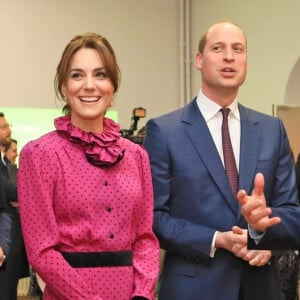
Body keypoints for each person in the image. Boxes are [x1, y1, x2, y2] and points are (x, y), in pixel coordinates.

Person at [143, 20, 299, 300]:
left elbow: (292, 213)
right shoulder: (165, 131)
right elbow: (154, 218)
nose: (229, 56)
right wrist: (216, 239)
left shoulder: (271, 130)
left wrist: (263, 236)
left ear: (246, 61)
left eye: (238, 49)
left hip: (260, 288)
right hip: (193, 288)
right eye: (219, 48)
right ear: (199, 60)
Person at [17, 32, 159, 300]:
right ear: (63, 86)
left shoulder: (136, 156)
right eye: (77, 75)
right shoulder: (39, 155)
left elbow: (145, 240)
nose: (89, 85)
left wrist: (141, 294)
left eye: (101, 74)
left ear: (113, 86)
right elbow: (41, 250)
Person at [0, 114, 29, 300]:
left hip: (7, 243)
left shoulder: (6, 164)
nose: (8, 130)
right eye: (3, 127)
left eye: (7, 126)